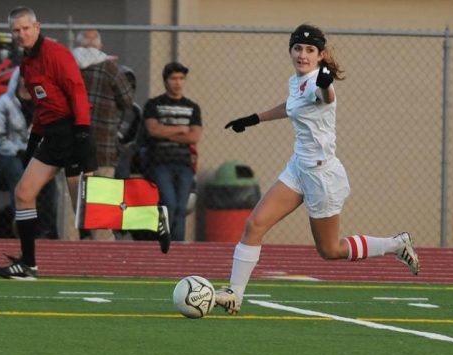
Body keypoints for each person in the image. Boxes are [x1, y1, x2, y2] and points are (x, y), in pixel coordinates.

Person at [216, 24, 420, 315]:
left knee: (330, 250)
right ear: (291, 51)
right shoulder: (296, 80)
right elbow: (290, 106)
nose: (302, 54)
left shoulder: (317, 83)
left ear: (320, 55)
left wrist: (325, 82)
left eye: (310, 50)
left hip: (321, 176)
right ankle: (234, 295)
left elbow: (326, 96)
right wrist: (254, 118)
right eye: (298, 48)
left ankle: (395, 245)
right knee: (254, 225)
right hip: (299, 168)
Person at [0, 6, 96, 279]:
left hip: (72, 133)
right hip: (52, 136)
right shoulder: (26, 61)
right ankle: (28, 264)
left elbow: (77, 91)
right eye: (16, 30)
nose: (21, 34)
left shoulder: (56, 53)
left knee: (87, 211)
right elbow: (42, 104)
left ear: (37, 27)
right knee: (24, 193)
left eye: (26, 28)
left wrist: (82, 133)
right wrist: (34, 140)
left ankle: (153, 218)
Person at [72, 29, 133, 240]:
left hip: (73, 143)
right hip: (104, 144)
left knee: (75, 198)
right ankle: (104, 247)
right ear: (99, 46)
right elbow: (127, 99)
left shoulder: (67, 66)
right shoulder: (110, 68)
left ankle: (74, 241)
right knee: (104, 197)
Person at [0, 67, 58, 239]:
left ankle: (47, 229)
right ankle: (23, 224)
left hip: (35, 152)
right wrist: (17, 150)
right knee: (19, 175)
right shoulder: (4, 103)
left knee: (49, 181)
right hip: (8, 153)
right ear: (20, 79)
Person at [143, 62, 202, 242]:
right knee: (168, 203)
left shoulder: (192, 107)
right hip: (160, 162)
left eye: (181, 78)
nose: (178, 82)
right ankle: (164, 243)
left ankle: (178, 248)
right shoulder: (154, 104)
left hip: (184, 164)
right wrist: (180, 130)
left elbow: (194, 136)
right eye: (173, 78)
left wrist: (166, 131)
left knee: (181, 207)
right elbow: (153, 130)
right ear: (166, 80)